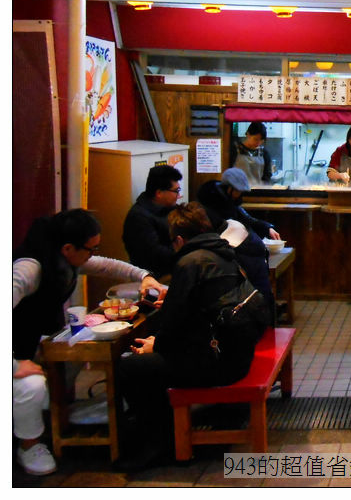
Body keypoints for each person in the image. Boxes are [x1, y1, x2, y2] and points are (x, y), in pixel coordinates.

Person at [13, 209, 166, 476]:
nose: (93, 255)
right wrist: (13, 364)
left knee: (71, 353)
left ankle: (57, 422)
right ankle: (29, 445)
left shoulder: (64, 258)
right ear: (68, 247)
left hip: (31, 342)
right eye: (90, 249)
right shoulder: (28, 269)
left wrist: (144, 276)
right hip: (15, 349)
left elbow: (108, 265)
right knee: (32, 385)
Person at [117, 202, 270, 470]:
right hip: (238, 353)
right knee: (151, 355)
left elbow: (174, 325)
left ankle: (158, 442)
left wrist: (157, 345)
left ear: (178, 239)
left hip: (220, 363)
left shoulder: (190, 262)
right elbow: (200, 306)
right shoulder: (223, 252)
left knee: (131, 367)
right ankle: (166, 433)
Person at [122, 164, 183, 279]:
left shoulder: (171, 208)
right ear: (159, 193)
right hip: (154, 277)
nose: (178, 195)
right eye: (176, 191)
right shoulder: (138, 217)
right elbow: (154, 255)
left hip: (176, 267)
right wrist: (182, 250)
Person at [197, 167, 281, 241]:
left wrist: (267, 228)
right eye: (238, 191)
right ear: (229, 189)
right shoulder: (209, 204)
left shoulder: (230, 200)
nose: (240, 194)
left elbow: (247, 218)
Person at [229, 121, 274, 187]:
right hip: (238, 191)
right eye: (255, 139)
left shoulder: (264, 153)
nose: (258, 143)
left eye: (261, 140)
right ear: (248, 134)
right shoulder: (235, 150)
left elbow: (267, 175)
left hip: (257, 191)